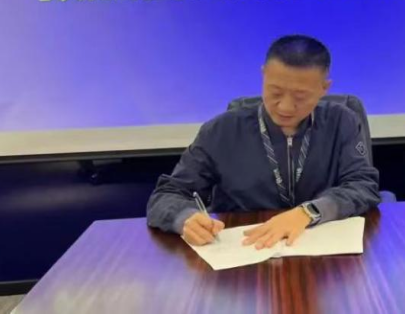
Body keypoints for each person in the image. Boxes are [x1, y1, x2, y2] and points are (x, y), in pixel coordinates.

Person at [147, 35, 381, 248]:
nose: (285, 107)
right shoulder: (222, 130)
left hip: (321, 250)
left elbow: (362, 185)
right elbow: (166, 195)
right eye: (275, 92)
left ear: (324, 88)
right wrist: (184, 218)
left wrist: (309, 212)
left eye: (300, 96)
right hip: (244, 252)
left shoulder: (341, 122)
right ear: (263, 75)